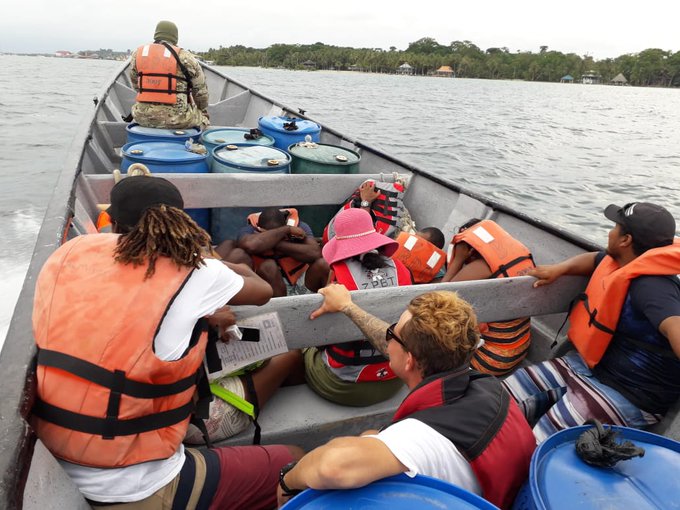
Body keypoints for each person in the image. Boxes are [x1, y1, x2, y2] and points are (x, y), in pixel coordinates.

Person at [31, 176, 302, 509]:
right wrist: (204, 259)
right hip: (137, 484)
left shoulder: (69, 253)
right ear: (180, 223)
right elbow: (260, 291)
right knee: (295, 461)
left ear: (112, 222)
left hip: (53, 455)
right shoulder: (195, 272)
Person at [277, 285, 536, 510]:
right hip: (495, 496)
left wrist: (287, 479)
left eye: (393, 331)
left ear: (410, 360)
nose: (387, 335)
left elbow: (333, 466)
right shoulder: (486, 385)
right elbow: (397, 345)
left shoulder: (422, 436)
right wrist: (348, 307)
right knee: (370, 435)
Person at [503, 202, 680, 443]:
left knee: (542, 439)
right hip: (587, 366)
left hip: (629, 393)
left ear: (625, 240)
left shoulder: (654, 288)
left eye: (615, 227)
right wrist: (560, 268)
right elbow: (594, 259)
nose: (610, 232)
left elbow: (674, 325)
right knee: (501, 398)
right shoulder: (621, 262)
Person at [305, 208, 413, 406]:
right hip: (396, 378)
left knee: (302, 349)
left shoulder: (334, 275)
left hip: (344, 386)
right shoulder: (402, 269)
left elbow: (317, 332)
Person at [442, 218, 535, 376]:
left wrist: (459, 259)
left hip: (489, 360)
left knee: (436, 321)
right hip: (520, 348)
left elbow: (438, 297)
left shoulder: (481, 267)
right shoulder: (515, 260)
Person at [216, 207, 328, 297]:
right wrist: (285, 230)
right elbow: (250, 245)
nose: (274, 236)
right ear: (259, 228)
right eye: (270, 234)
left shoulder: (300, 227)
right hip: (270, 291)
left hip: (301, 285)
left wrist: (274, 242)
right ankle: (282, 311)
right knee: (268, 266)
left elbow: (315, 253)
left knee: (323, 264)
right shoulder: (249, 230)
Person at [129, 20, 210, 130]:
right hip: (177, 119)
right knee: (203, 118)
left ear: (156, 35)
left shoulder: (137, 55)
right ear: (175, 37)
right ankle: (196, 142)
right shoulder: (186, 57)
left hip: (141, 116)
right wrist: (201, 110)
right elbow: (201, 94)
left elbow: (137, 86)